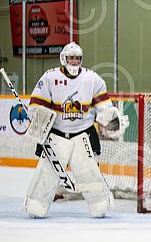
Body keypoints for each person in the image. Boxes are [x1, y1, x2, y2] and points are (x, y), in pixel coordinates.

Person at [24, 42, 128, 218]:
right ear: (63, 59)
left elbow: (104, 108)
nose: (74, 61)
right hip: (57, 134)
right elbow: (36, 105)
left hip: (83, 133)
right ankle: (36, 206)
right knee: (48, 172)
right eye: (71, 58)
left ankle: (99, 205)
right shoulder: (50, 77)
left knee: (89, 171)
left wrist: (111, 119)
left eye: (77, 58)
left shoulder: (92, 79)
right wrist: (37, 121)